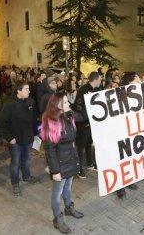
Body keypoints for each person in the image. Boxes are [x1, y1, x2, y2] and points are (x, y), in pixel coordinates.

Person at [42, 93, 84, 233]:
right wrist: (55, 171)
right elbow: (50, 150)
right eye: (66, 103)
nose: (69, 105)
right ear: (58, 106)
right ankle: (57, 219)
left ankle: (68, 208)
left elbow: (83, 116)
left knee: (68, 186)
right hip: (59, 164)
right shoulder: (51, 122)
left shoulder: (69, 115)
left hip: (70, 160)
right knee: (57, 192)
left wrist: (94, 99)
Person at [0, 80, 40, 196]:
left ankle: (26, 176)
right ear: (18, 91)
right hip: (16, 141)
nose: (29, 91)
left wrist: (35, 134)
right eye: (26, 89)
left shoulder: (31, 102)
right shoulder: (10, 105)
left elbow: (34, 120)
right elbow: (2, 123)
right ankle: (15, 183)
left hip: (29, 138)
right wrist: (10, 138)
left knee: (26, 160)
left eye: (28, 89)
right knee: (15, 163)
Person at [74, 71, 102, 178]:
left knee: (89, 143)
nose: (101, 81)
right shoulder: (83, 90)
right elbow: (79, 108)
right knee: (80, 146)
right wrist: (84, 121)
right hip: (83, 124)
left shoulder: (97, 90)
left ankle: (90, 162)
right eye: (100, 79)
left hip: (92, 123)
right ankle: (79, 168)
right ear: (95, 80)